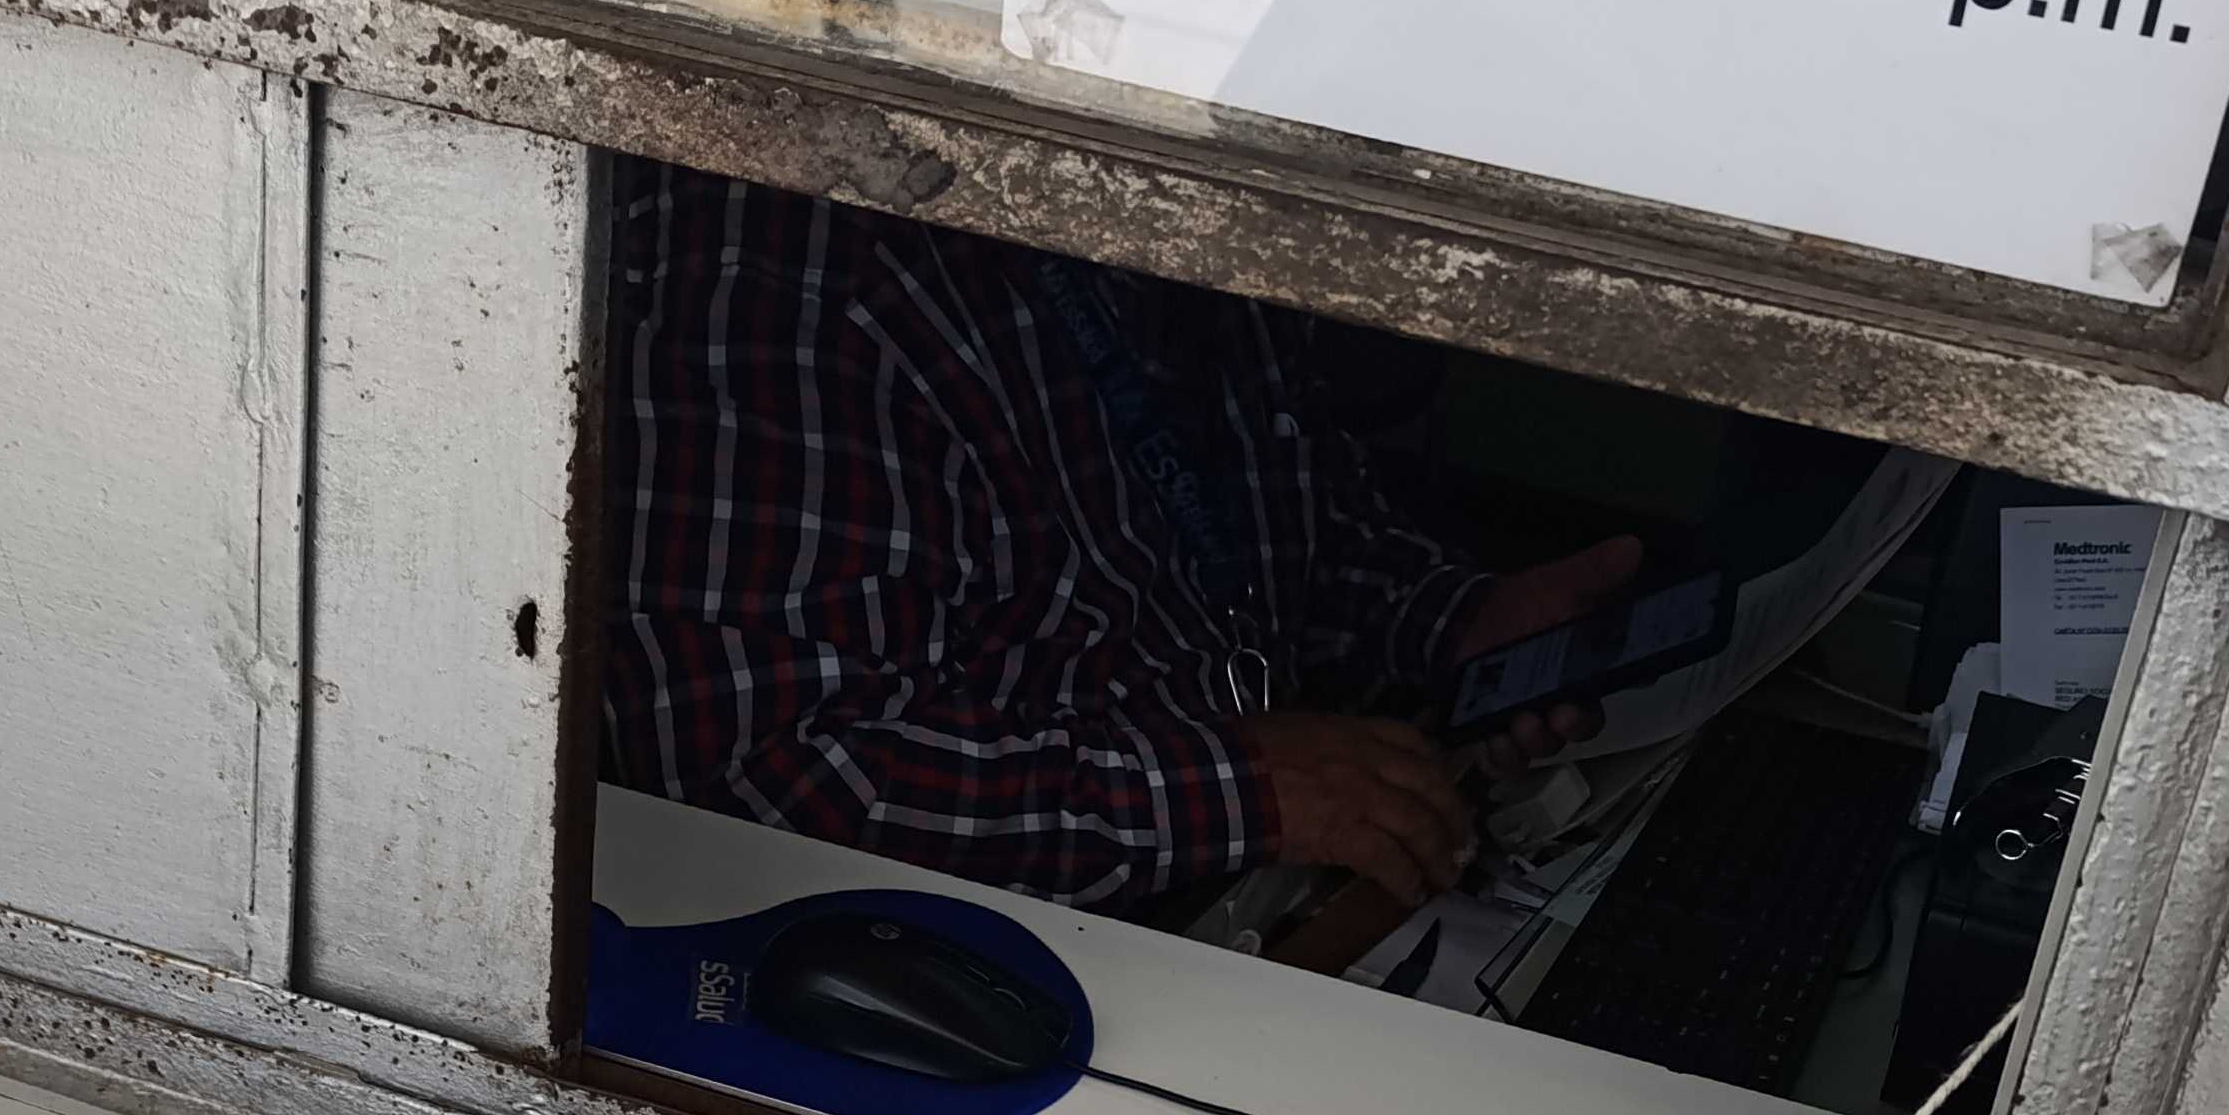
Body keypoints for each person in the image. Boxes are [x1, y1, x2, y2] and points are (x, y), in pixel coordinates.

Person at [603, 163, 1638, 914]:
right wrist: (1240, 793)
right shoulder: (790, 272)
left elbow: (1272, 518)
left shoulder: (1182, 201)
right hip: (1022, 977)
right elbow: (762, 775)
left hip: (1257, 894)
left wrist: (1449, 624)